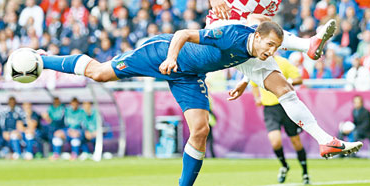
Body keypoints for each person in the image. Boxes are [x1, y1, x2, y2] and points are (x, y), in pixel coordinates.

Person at [33, 20, 284, 186]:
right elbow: (183, 33)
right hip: (161, 53)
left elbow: (246, 63)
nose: (272, 51)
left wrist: (243, 82)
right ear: (258, 35)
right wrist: (172, 57)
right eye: (270, 44)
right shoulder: (233, 34)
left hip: (188, 76)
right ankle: (44, 60)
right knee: (99, 74)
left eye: (277, 47)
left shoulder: (255, 51)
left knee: (200, 129)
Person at [190, 0, 362, 161]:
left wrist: (246, 78)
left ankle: (325, 140)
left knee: (284, 88)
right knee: (257, 22)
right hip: (217, 33)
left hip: (242, 43)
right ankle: (306, 44)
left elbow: (262, 44)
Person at [251, 55, 309, 184]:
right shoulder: (257, 64)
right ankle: (284, 165)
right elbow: (253, 83)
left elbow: (298, 79)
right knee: (275, 142)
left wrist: (286, 83)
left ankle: (305, 172)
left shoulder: (283, 62)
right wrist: (257, 98)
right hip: (270, 109)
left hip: (286, 105)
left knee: (296, 142)